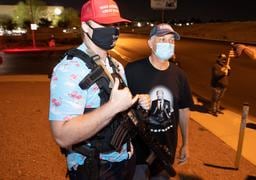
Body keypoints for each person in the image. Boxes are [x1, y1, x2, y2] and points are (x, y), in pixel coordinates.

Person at [48, 0, 150, 179]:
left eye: (115, 24)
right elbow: (62, 136)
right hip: (95, 168)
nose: (113, 30)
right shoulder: (68, 70)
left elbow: (120, 108)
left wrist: (136, 103)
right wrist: (113, 107)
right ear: (85, 26)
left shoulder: (116, 65)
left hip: (125, 160)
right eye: (105, 24)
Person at [125, 23, 193, 179]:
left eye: (171, 40)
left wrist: (186, 143)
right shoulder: (132, 71)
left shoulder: (180, 76)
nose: (168, 44)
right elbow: (119, 106)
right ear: (150, 43)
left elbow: (183, 110)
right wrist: (136, 103)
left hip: (165, 152)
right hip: (137, 152)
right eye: (162, 39)